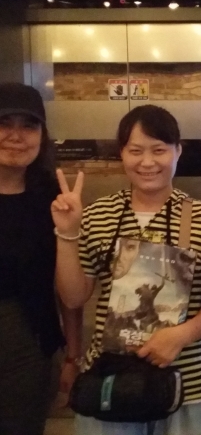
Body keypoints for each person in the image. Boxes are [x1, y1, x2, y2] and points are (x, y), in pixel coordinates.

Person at [52, 104, 201, 435]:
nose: (147, 162)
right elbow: (73, 298)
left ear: (178, 151)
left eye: (159, 150)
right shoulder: (97, 215)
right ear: (122, 153)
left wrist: (180, 335)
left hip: (187, 384)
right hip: (109, 380)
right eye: (135, 151)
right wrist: (67, 233)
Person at [0, 82, 82, 435]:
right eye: (4, 123)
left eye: (29, 125)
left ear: (42, 135)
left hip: (30, 342)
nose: (16, 136)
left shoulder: (51, 197)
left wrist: (72, 355)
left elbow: (65, 288)